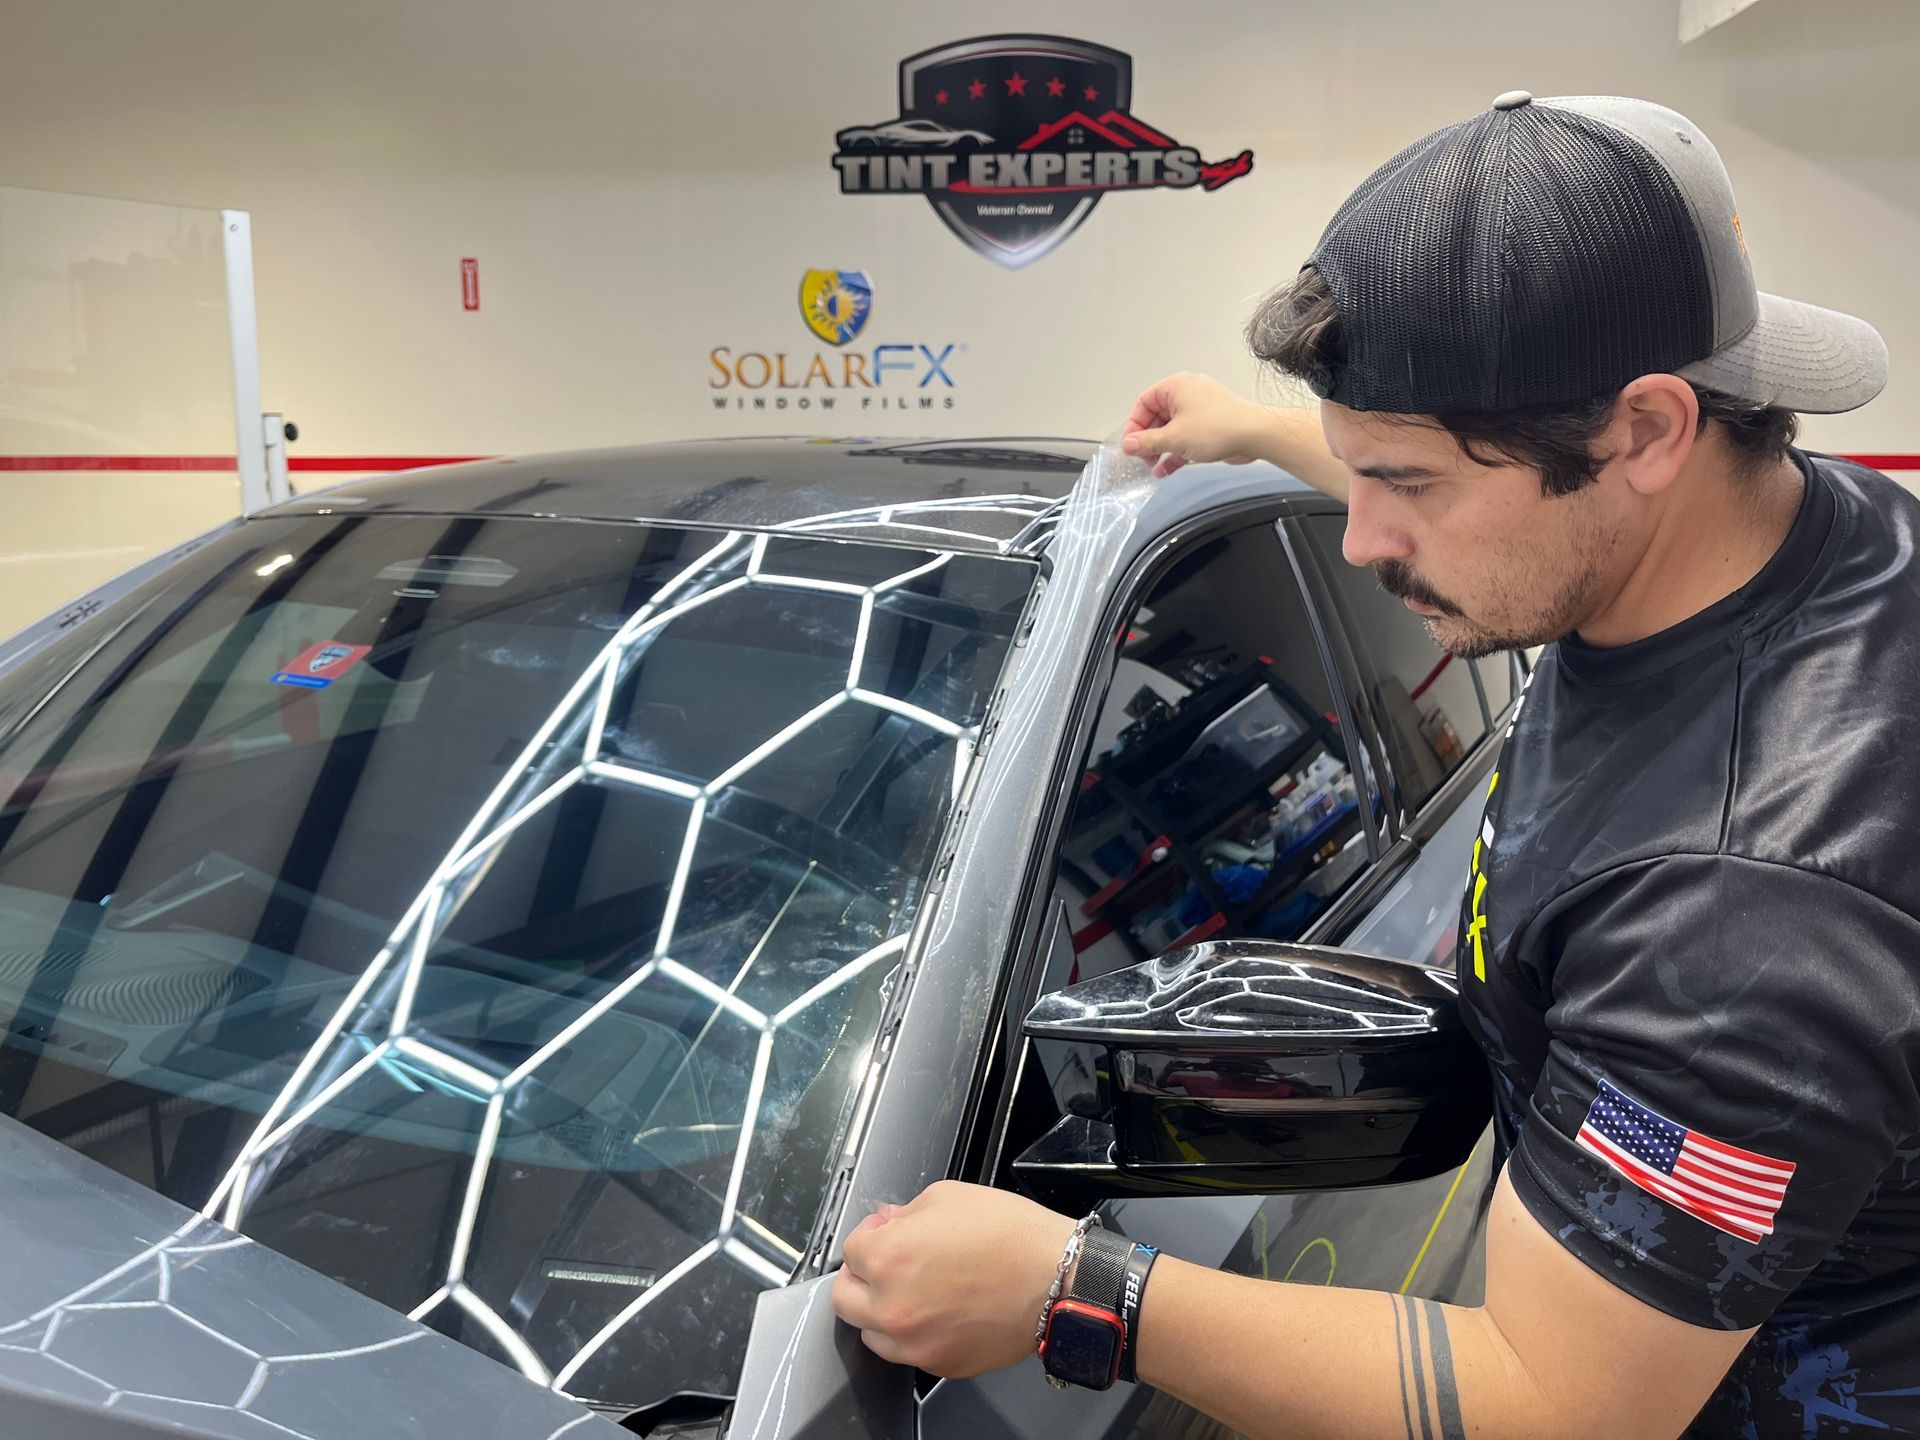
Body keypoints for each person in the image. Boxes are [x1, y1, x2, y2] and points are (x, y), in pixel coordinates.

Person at [830, 91, 1920, 1440]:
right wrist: (1264, 433)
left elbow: (1557, 1403)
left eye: (1407, 483)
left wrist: (1078, 1289)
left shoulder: (1744, 916)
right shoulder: (1778, 525)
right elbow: (1513, 495)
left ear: (1649, 432)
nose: (1365, 540)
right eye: (1365, 472)